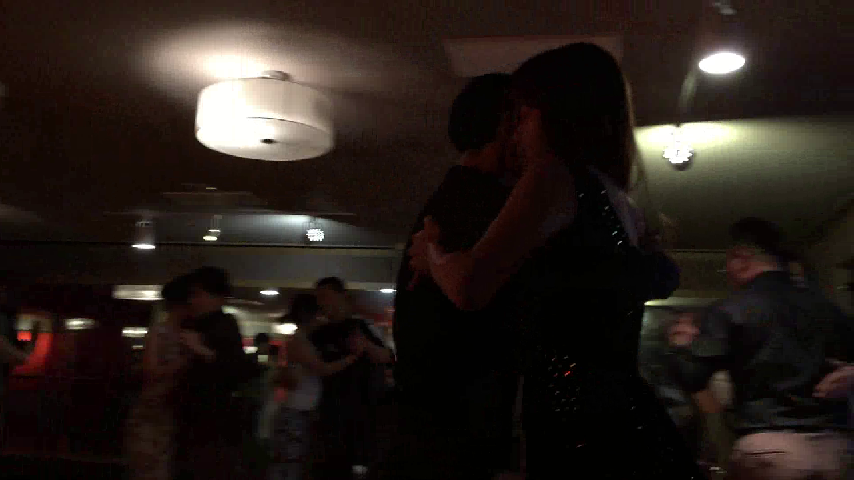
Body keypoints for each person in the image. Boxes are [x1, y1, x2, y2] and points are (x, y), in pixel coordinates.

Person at [409, 43, 700, 478]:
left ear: (554, 113)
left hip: (569, 413)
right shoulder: (621, 202)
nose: (516, 131)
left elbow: (469, 287)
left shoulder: (553, 175)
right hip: (621, 407)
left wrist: (432, 253)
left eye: (524, 114)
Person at [383, 73, 518, 480]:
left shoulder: (451, 198)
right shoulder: (485, 203)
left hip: (434, 424)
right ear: (505, 125)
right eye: (527, 119)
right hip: (457, 429)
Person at [670, 217, 854, 480]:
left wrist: (682, 344)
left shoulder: (730, 309)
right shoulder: (826, 307)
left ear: (741, 258)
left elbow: (693, 376)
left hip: (769, 448)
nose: (728, 272)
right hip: (836, 449)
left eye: (728, 263)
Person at [262, 293, 365, 480]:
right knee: (290, 463)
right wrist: (353, 357)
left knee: (291, 461)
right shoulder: (299, 342)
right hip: (295, 411)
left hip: (296, 409)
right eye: (320, 313)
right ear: (310, 315)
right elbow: (323, 369)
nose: (322, 318)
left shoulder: (301, 340)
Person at [174, 266, 259, 480]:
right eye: (191, 295)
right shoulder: (192, 323)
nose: (193, 301)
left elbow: (240, 370)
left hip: (214, 422)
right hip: (189, 418)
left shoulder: (225, 324)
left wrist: (202, 350)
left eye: (198, 294)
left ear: (218, 297)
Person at [311, 277, 394, 480]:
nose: (321, 302)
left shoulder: (361, 326)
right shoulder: (319, 333)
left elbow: (387, 357)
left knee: (359, 469)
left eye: (325, 296)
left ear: (341, 296)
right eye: (318, 298)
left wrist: (365, 345)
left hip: (361, 414)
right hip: (330, 414)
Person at [126, 275, 192, 480]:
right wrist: (184, 362)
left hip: (172, 410)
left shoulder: (187, 334)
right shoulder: (159, 332)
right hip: (155, 410)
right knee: (151, 467)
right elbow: (150, 370)